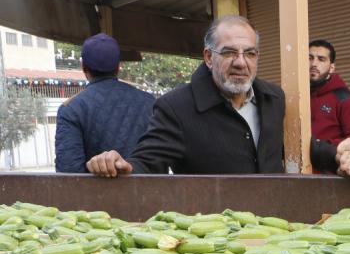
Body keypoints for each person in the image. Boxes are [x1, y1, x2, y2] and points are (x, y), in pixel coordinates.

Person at [85, 15, 285, 176]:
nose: (241, 62)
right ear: (208, 57)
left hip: (271, 223)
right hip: (212, 223)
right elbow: (147, 162)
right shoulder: (176, 107)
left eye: (249, 53)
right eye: (229, 53)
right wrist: (121, 166)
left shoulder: (273, 99)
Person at [54, 33, 154, 173]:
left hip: (95, 195)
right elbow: (159, 162)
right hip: (148, 193)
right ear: (118, 66)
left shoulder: (71, 109)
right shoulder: (150, 102)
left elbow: (69, 172)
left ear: (83, 67)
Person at [308, 39, 350, 173]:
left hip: (331, 181)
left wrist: (324, 150)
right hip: (298, 179)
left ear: (332, 67)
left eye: (321, 59)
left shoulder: (345, 99)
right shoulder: (299, 97)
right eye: (310, 58)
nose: (314, 64)